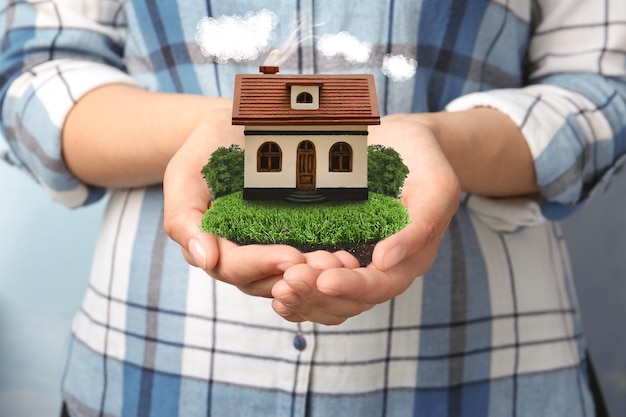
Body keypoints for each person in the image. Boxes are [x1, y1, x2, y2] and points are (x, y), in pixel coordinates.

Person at [1, 1, 625, 416]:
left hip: (489, 378)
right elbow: (33, 70)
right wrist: (227, 126)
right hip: (146, 371)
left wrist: (440, 142)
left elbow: (606, 91)